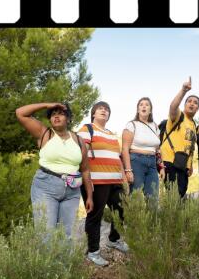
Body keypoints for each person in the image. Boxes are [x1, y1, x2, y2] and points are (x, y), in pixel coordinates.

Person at [16, 102, 92, 245]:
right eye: (53, 114)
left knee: (66, 236)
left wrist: (89, 196)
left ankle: (65, 261)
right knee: (46, 235)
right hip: (45, 187)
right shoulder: (44, 133)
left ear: (68, 118)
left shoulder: (78, 140)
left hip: (72, 191)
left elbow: (85, 170)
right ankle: (46, 261)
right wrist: (47, 105)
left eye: (61, 113)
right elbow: (20, 113)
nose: (56, 116)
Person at [79, 101, 131, 266]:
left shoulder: (111, 134)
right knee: (95, 216)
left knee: (122, 209)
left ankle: (113, 240)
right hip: (96, 181)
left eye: (107, 109)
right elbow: (81, 155)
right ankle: (93, 252)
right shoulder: (87, 129)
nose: (104, 111)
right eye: (100, 108)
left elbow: (118, 158)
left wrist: (124, 179)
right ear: (93, 113)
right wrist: (86, 181)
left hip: (115, 181)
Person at [160, 77, 199, 198]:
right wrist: (183, 90)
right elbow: (173, 106)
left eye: (195, 102)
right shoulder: (179, 116)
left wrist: (190, 165)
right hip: (170, 161)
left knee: (181, 194)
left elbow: (190, 146)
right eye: (189, 101)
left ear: (198, 108)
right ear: (185, 104)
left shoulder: (193, 124)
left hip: (182, 165)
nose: (192, 103)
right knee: (173, 196)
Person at [121, 97, 162, 201]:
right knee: (136, 198)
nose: (144, 106)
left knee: (153, 199)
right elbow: (125, 149)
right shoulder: (132, 125)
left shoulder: (155, 126)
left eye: (147, 105)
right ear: (138, 109)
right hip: (136, 161)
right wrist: (128, 170)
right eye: (141, 105)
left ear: (150, 110)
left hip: (152, 164)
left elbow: (158, 150)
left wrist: (161, 167)